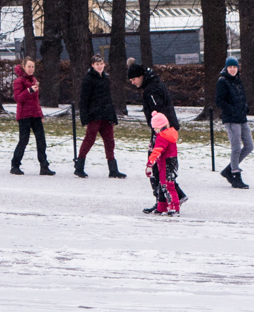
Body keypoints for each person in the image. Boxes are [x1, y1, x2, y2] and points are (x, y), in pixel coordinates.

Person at [127, 59, 188, 206]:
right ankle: (168, 197)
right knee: (162, 165)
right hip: (165, 130)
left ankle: (166, 199)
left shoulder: (151, 90)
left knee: (155, 164)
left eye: (134, 79)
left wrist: (158, 133)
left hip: (162, 132)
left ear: (141, 76)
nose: (133, 82)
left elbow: (160, 112)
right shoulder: (153, 84)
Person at [76, 55, 125, 179]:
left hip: (106, 115)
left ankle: (113, 169)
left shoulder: (106, 79)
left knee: (110, 142)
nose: (99, 66)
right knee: (89, 140)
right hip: (94, 115)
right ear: (92, 65)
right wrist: (84, 118)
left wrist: (113, 117)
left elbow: (109, 99)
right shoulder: (88, 79)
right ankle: (79, 166)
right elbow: (83, 100)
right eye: (97, 64)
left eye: (101, 63)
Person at [10, 57, 53, 176]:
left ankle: (44, 166)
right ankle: (15, 164)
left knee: (41, 140)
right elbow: (17, 98)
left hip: (35, 115)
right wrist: (29, 90)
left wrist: (40, 114)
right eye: (29, 66)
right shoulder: (19, 81)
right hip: (24, 115)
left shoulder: (34, 80)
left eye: (32, 67)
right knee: (24, 140)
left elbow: (36, 101)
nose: (31, 69)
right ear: (23, 66)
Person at [215, 57, 253, 189]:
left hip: (241, 118)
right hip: (231, 119)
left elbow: (241, 97)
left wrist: (244, 107)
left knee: (249, 146)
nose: (232, 69)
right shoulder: (222, 81)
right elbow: (219, 101)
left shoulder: (237, 80)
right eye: (230, 67)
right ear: (226, 68)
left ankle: (229, 169)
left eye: (235, 67)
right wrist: (232, 110)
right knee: (236, 148)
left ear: (238, 68)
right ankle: (235, 175)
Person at [145, 111, 181, 215]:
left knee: (168, 185)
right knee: (164, 185)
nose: (155, 131)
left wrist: (150, 162)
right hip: (172, 163)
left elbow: (157, 151)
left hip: (165, 164)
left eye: (155, 128)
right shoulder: (170, 134)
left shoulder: (162, 137)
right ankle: (162, 206)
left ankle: (174, 206)